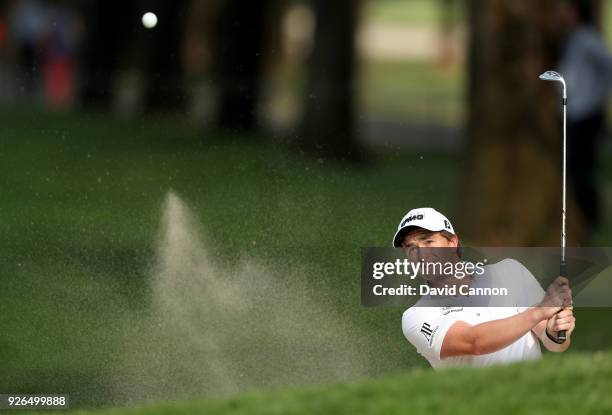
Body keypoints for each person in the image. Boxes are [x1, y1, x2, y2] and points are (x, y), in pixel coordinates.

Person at [394, 207, 575, 369]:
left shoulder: (510, 271)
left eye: (428, 242)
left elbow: (554, 342)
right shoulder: (417, 316)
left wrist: (554, 331)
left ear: (452, 243)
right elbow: (474, 343)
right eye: (411, 249)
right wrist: (538, 312)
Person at [558, 0, 612, 232]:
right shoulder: (573, 38)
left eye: (567, 9)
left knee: (583, 167)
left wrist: (598, 94)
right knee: (575, 166)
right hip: (575, 112)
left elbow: (608, 65)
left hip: (587, 113)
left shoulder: (587, 39)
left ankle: (591, 217)